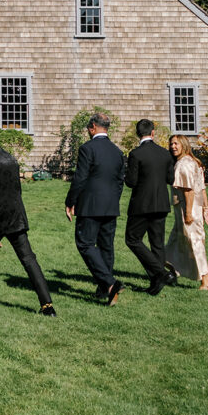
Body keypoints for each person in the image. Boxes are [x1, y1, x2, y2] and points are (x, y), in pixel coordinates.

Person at [0, 126, 55, 315]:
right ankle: (47, 305)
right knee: (28, 259)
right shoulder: (10, 157)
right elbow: (16, 190)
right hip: (16, 215)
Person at [65, 112, 126, 305]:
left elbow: (80, 178)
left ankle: (109, 283)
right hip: (111, 205)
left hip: (90, 205)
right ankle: (104, 290)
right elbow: (120, 181)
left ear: (92, 127)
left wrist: (70, 201)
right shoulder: (117, 151)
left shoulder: (87, 148)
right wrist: (113, 200)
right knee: (106, 246)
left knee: (85, 243)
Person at [124, 119, 175, 294]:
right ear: (153, 133)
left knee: (132, 239)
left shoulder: (136, 154)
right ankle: (156, 282)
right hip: (161, 203)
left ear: (138, 134)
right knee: (157, 243)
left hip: (142, 205)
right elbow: (170, 179)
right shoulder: (165, 154)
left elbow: (131, 182)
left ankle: (161, 273)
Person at [165, 135, 208, 290]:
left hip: (188, 209)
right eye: (171, 144)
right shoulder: (193, 162)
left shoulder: (184, 164)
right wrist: (205, 209)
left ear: (183, 145)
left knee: (195, 244)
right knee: (174, 242)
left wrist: (188, 213)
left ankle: (205, 281)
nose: (173, 146)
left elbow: (189, 191)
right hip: (193, 209)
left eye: (176, 143)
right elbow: (202, 189)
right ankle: (169, 272)